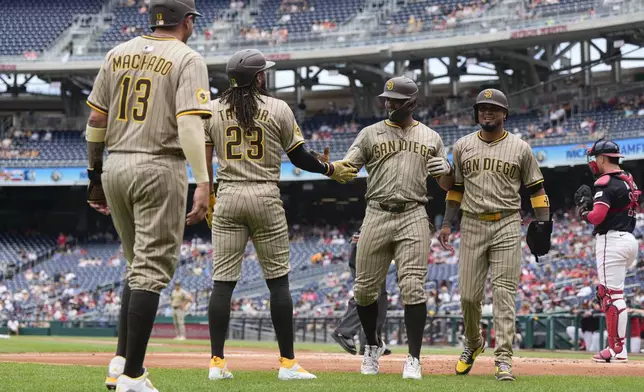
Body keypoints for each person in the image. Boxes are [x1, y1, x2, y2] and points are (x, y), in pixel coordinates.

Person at [203, 48, 357, 381]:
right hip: (264, 195)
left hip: (227, 196)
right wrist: (330, 169)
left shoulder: (212, 109)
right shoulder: (277, 108)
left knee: (222, 284)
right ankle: (287, 363)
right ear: (259, 77)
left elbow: (204, 157)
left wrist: (208, 193)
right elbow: (300, 158)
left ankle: (217, 363)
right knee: (278, 283)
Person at [85, 1, 212, 390]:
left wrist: (94, 175)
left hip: (115, 164)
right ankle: (133, 376)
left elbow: (96, 120)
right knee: (152, 269)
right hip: (159, 164)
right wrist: (204, 181)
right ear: (187, 21)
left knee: (136, 265)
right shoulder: (188, 58)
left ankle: (120, 360)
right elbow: (190, 126)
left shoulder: (116, 53)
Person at [343, 76, 453, 380]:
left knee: (413, 287)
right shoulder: (369, 133)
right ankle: (373, 346)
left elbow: (446, 184)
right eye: (386, 99)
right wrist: (334, 168)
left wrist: (445, 171)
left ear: (412, 103)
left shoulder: (431, 137)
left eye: (395, 100)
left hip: (414, 214)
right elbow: (348, 168)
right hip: (376, 213)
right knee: (364, 291)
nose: (388, 104)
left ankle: (414, 358)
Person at [439, 88, 552, 381]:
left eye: (493, 108)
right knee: (467, 296)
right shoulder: (462, 146)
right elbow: (455, 190)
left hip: (506, 223)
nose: (487, 113)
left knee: (504, 295)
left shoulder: (520, 147)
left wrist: (544, 223)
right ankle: (474, 343)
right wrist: (447, 224)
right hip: (473, 223)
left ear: (504, 114)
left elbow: (536, 189)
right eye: (482, 109)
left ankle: (503, 359)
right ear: (476, 113)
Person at [574, 138, 641, 363]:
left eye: (595, 158)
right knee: (612, 294)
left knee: (610, 296)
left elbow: (597, 217)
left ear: (603, 158)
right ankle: (617, 348)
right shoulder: (627, 179)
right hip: (629, 238)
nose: (593, 162)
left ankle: (615, 349)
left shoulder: (606, 182)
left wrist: (584, 212)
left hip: (611, 240)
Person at [331, 231, 392, 356]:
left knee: (380, 296)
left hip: (371, 248)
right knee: (369, 292)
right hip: (367, 248)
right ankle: (345, 331)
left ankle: (372, 342)